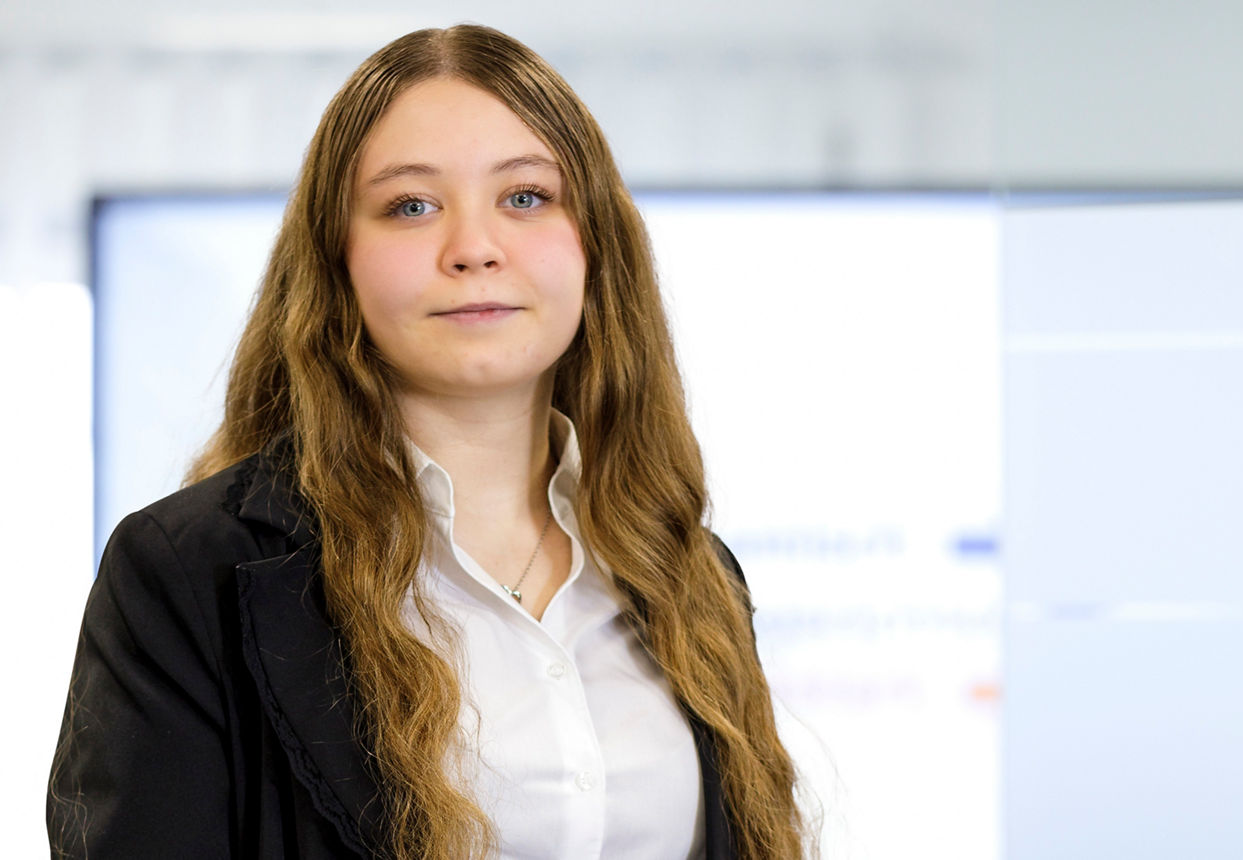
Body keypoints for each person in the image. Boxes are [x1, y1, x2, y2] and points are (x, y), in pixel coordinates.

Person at [48, 24, 804, 860]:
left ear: (596, 246)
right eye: (411, 206)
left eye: (525, 197)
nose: (474, 248)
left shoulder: (692, 572)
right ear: (339, 261)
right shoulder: (188, 573)